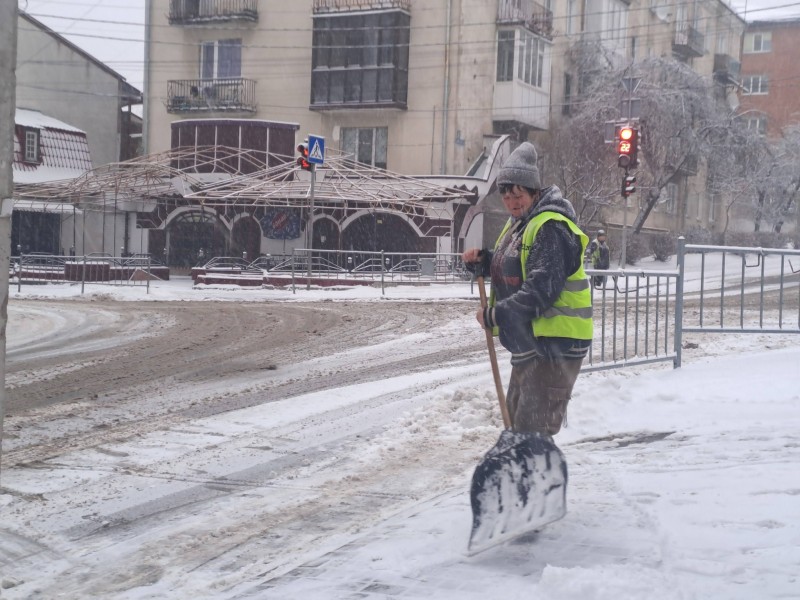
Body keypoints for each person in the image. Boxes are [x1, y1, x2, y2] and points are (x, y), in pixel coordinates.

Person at [462, 142, 593, 436]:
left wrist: (496, 315)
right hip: (533, 344)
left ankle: (534, 467)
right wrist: (484, 262)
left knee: (531, 431)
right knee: (519, 426)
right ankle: (526, 466)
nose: (511, 202)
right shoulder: (521, 225)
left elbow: (540, 290)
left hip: (556, 344)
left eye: (518, 195)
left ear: (534, 191)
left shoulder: (550, 227)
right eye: (506, 196)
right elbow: (514, 268)